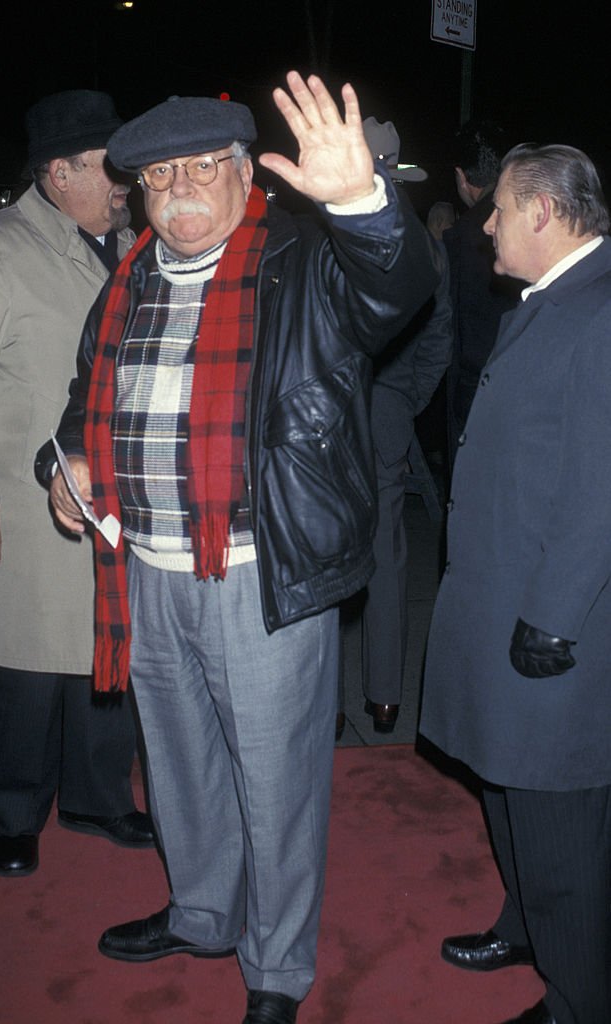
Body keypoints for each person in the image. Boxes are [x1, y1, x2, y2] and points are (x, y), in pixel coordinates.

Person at [36, 72, 438, 1023]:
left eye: (199, 169)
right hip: (147, 566)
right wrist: (68, 462)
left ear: (241, 174)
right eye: (156, 174)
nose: (176, 190)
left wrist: (363, 204)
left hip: (260, 573)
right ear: (135, 192)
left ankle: (277, 965)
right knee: (177, 764)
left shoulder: (302, 261)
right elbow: (85, 395)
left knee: (275, 777)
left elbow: (399, 287)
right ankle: (205, 910)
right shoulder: (126, 278)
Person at [419, 143, 611, 1024]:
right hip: (503, 599)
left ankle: (579, 997)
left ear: (542, 212)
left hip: (552, 620)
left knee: (559, 825)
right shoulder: (554, 298)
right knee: (505, 788)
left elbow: (599, 484)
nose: (484, 223)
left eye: (498, 208)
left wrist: (553, 618)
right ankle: (527, 929)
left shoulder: (602, 306)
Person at [0, 89, 154, 878]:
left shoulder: (132, 244)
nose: (122, 184)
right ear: (57, 174)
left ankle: (99, 799)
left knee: (104, 654)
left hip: (120, 498)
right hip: (26, 497)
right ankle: (16, 812)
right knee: (26, 666)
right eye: (105, 169)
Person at [337, 116, 452, 736]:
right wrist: (403, 403)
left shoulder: (327, 234)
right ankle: (384, 698)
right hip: (382, 419)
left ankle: (325, 703)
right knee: (383, 557)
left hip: (339, 421)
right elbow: (439, 342)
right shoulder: (422, 242)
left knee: (328, 554)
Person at [442, 119, 520, 473]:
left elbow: (448, 323)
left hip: (473, 386)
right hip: (517, 381)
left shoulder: (463, 236)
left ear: (461, 176)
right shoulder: (524, 222)